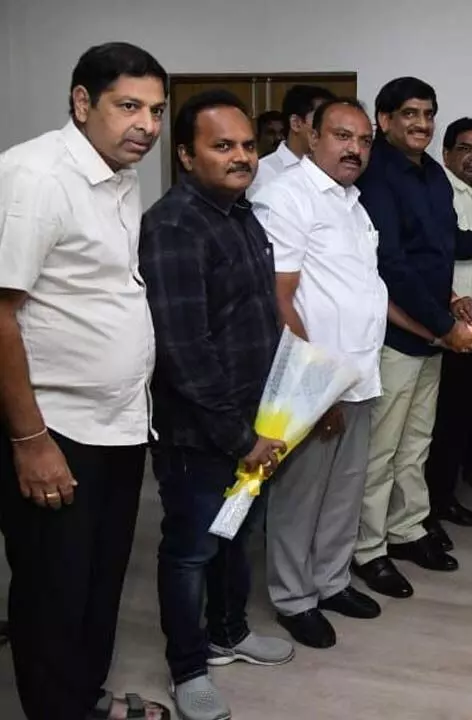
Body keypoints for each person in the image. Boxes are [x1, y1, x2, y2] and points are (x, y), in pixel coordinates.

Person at [0, 41, 172, 720]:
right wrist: (31, 439)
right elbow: (0, 313)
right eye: (129, 106)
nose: (147, 126)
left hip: (119, 425)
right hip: (56, 431)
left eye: (156, 110)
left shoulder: (119, 177)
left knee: (100, 583)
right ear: (81, 102)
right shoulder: (35, 177)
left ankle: (83, 700)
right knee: (54, 592)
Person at [141, 89, 295, 720]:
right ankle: (188, 667)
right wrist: (239, 436)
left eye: (248, 146)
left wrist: (273, 417)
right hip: (202, 433)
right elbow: (184, 349)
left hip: (254, 421)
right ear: (185, 155)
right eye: (222, 146)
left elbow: (256, 318)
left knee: (236, 537)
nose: (241, 158)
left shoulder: (242, 214)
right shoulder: (175, 224)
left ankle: (228, 633)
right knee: (191, 549)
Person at [353, 77, 472, 597]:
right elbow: (392, 265)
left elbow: (444, 245)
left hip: (431, 331)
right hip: (397, 335)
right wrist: (446, 325)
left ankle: (407, 530)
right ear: (383, 120)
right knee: (381, 451)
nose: (421, 123)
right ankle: (368, 548)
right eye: (409, 114)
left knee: (415, 445)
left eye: (428, 113)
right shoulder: (375, 175)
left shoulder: (430, 173)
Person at [251, 98, 387, 650]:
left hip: (361, 373)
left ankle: (331, 582)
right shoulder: (285, 196)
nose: (354, 148)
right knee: (299, 495)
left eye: (363, 139)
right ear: (311, 137)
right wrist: (312, 391)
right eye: (341, 135)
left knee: (345, 490)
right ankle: (292, 598)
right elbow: (279, 298)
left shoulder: (356, 204)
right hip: (312, 380)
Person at [424, 117, 472, 530]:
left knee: (457, 421)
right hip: (443, 325)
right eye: (466, 149)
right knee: (438, 425)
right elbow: (442, 251)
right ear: (446, 152)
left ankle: (442, 500)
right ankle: (430, 507)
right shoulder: (439, 191)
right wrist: (450, 300)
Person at [247, 84, 335, 199]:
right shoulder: (261, 172)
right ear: (296, 123)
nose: (329, 127)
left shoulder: (331, 170)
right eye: (320, 119)